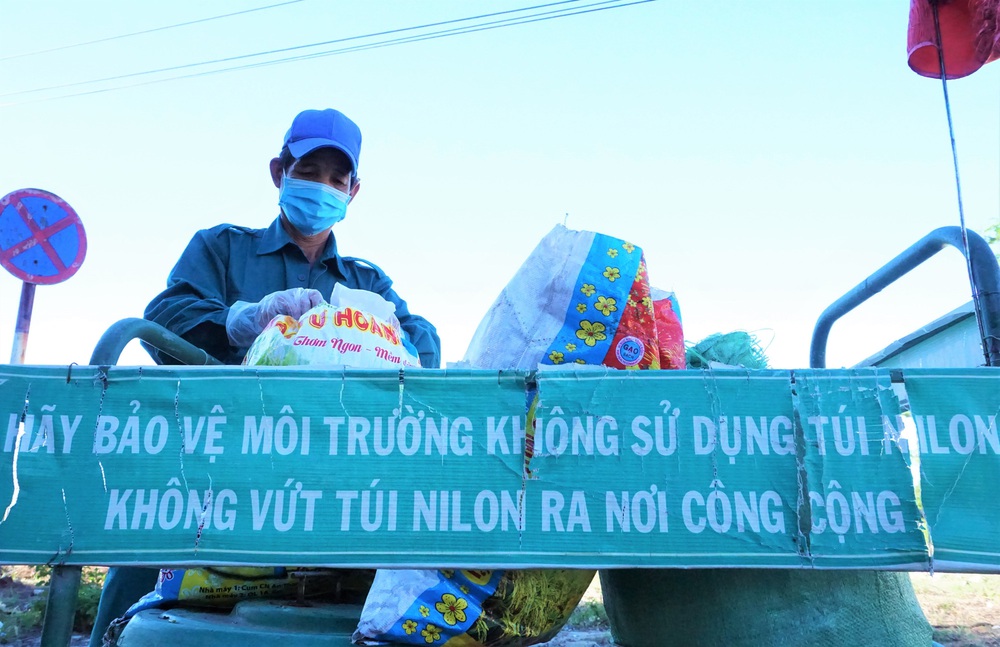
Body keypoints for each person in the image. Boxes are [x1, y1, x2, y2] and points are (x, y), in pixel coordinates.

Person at [89, 108, 441, 647]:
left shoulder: (366, 281)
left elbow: (423, 344)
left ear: (354, 191)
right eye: (308, 170)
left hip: (333, 474)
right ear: (279, 172)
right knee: (145, 557)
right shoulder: (222, 247)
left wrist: (391, 342)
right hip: (216, 462)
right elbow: (165, 315)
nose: (322, 187)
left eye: (336, 178)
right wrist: (240, 320)